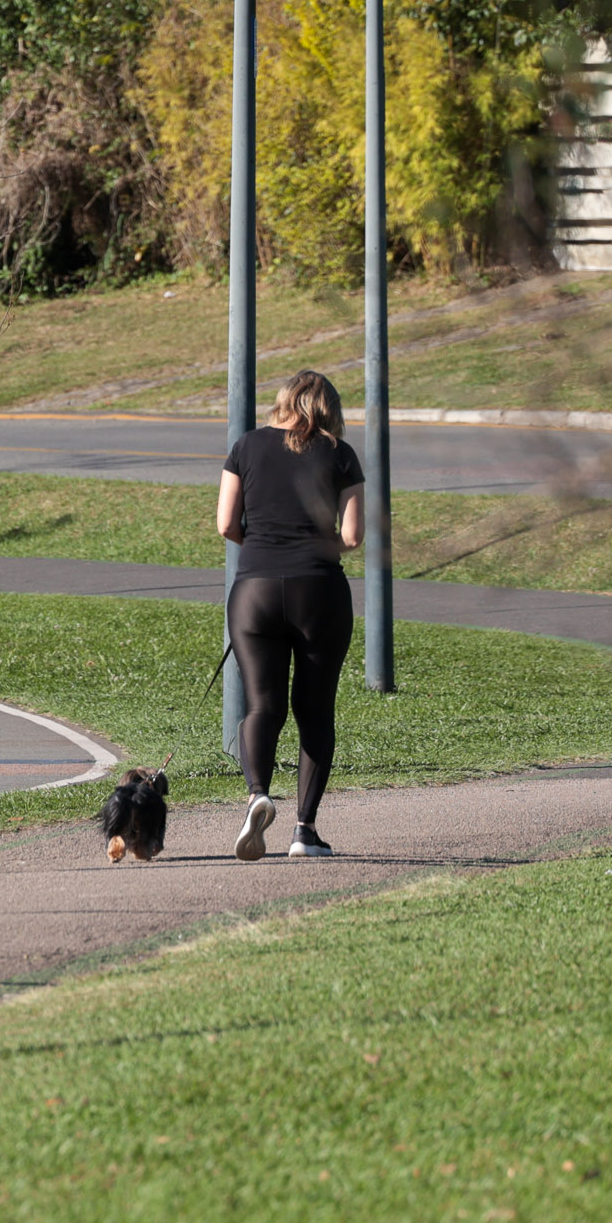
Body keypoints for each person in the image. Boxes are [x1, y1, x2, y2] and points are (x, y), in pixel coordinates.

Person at [219, 369, 365, 861]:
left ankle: (258, 793)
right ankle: (304, 831)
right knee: (314, 711)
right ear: (329, 409)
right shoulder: (340, 454)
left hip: (253, 590)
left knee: (262, 707)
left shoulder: (246, 446)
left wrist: (263, 546)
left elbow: (225, 524)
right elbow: (351, 537)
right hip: (319, 592)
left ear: (282, 402)